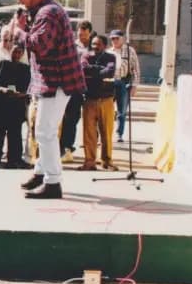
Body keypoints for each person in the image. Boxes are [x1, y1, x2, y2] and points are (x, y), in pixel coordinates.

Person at [11, 0, 86, 200]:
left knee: (45, 131)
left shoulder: (49, 13)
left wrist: (19, 33)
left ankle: (53, 182)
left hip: (57, 81)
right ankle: (42, 172)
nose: (20, 2)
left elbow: (40, 45)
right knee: (43, 130)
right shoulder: (44, 11)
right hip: (51, 80)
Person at [79, 35, 118, 171]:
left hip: (106, 100)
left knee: (106, 132)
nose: (95, 46)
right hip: (89, 99)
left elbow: (110, 71)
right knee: (89, 133)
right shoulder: (85, 56)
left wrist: (93, 71)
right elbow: (83, 70)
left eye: (98, 44)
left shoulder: (111, 57)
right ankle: (89, 162)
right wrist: (100, 70)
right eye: (93, 44)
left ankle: (107, 161)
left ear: (105, 45)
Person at [0, 44, 31, 169]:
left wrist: (20, 94)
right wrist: (3, 90)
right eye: (14, 52)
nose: (16, 55)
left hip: (16, 106)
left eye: (19, 52)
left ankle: (14, 160)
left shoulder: (25, 69)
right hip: (1, 105)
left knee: (15, 135)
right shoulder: (2, 65)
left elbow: (28, 89)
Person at [60, 20, 94, 163]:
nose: (82, 36)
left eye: (85, 34)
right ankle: (66, 147)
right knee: (70, 119)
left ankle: (91, 152)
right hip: (73, 88)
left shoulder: (95, 46)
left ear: (90, 33)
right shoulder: (71, 46)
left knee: (90, 121)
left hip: (91, 88)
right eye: (80, 33)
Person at [108, 29, 140, 144]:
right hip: (110, 83)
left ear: (123, 38)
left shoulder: (129, 51)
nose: (114, 41)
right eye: (112, 39)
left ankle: (119, 133)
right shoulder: (109, 52)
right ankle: (105, 133)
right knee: (106, 109)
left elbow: (135, 69)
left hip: (123, 82)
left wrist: (134, 86)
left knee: (122, 111)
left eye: (117, 38)